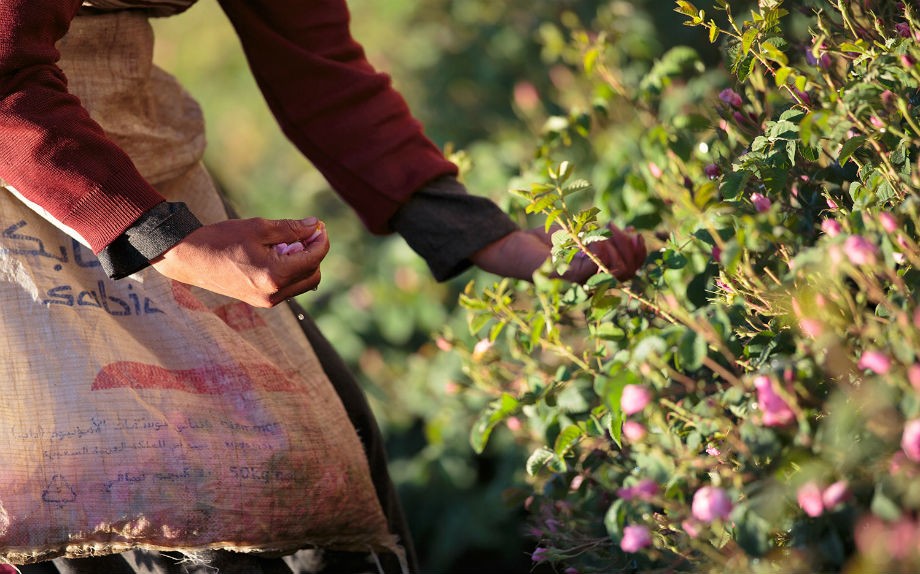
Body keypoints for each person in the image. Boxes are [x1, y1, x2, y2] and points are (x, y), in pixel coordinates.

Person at [0, 1, 646, 573]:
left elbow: (318, 65)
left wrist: (490, 238)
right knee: (99, 496)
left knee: (314, 469)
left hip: (138, 162)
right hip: (35, 175)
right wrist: (172, 244)